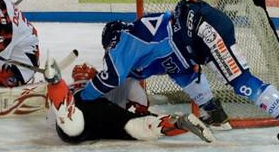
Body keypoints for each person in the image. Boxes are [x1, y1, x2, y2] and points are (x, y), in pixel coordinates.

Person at [66, 0, 279, 144]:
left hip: (202, 27)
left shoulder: (125, 38)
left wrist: (82, 98)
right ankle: (217, 115)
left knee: (239, 80)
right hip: (196, 39)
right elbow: (181, 73)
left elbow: (112, 77)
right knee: (181, 73)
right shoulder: (148, 55)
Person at [43, 59, 215, 144]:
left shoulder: (77, 87)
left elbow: (50, 121)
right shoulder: (104, 83)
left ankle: (57, 86)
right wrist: (140, 110)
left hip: (78, 104)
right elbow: (137, 95)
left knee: (71, 127)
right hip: (103, 109)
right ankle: (177, 122)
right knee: (139, 127)